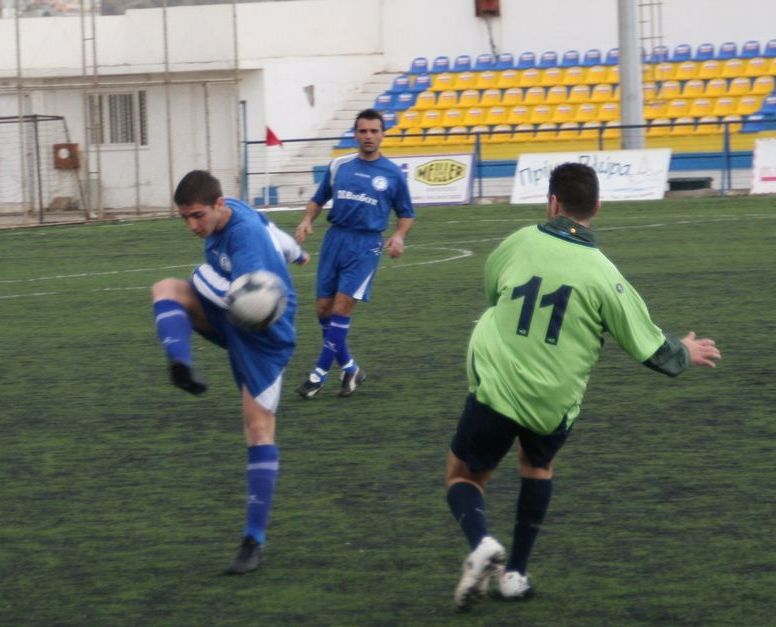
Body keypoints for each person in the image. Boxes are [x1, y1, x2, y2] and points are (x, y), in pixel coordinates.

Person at [443, 163, 721, 610]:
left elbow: (493, 291)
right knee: (537, 467)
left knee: (463, 476)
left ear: (552, 202)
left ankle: (480, 545)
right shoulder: (603, 273)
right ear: (597, 207)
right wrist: (685, 351)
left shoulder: (518, 242)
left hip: (499, 386)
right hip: (554, 401)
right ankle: (515, 575)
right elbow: (650, 349)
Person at [150, 170, 309, 574]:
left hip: (265, 336)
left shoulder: (245, 238)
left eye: (197, 216)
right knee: (164, 289)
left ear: (219, 205)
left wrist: (204, 281)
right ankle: (181, 364)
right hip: (232, 315)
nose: (192, 226)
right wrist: (296, 252)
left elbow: (253, 296)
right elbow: (276, 232)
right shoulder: (235, 210)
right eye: (184, 218)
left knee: (257, 430)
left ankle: (253, 540)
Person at [293, 108, 415, 398]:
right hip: (334, 240)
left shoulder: (393, 174)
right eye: (363, 131)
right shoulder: (340, 166)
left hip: (366, 246)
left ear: (382, 134)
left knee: (341, 308)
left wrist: (398, 235)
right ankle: (350, 369)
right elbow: (318, 199)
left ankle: (317, 376)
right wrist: (307, 220)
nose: (369, 136)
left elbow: (407, 213)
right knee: (323, 310)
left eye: (374, 131)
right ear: (355, 134)